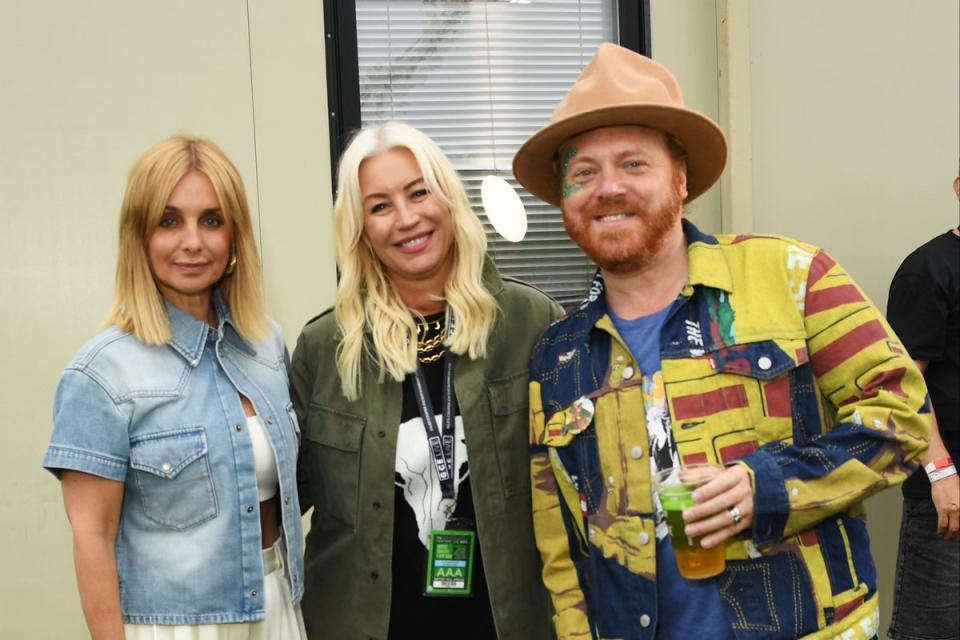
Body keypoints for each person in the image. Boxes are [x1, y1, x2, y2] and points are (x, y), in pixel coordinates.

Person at [514, 43, 931, 640]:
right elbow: (562, 548)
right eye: (583, 172)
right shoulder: (557, 356)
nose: (607, 188)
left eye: (634, 164)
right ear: (564, 200)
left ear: (680, 179)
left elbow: (906, 417)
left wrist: (765, 485)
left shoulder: (793, 276)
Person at [292, 121, 560, 639]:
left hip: (509, 624)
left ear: (449, 200)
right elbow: (277, 501)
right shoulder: (325, 348)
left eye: (419, 193)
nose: (407, 218)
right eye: (380, 205)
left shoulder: (532, 323)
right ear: (360, 228)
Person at [43, 135, 305, 639]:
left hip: (278, 608)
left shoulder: (266, 343)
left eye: (211, 220)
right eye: (169, 221)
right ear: (139, 236)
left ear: (235, 237)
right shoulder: (101, 373)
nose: (192, 241)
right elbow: (91, 538)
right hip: (175, 627)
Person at [885, 174, 959, 640]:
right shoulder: (929, 269)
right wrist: (941, 472)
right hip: (951, 499)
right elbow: (903, 384)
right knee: (932, 630)